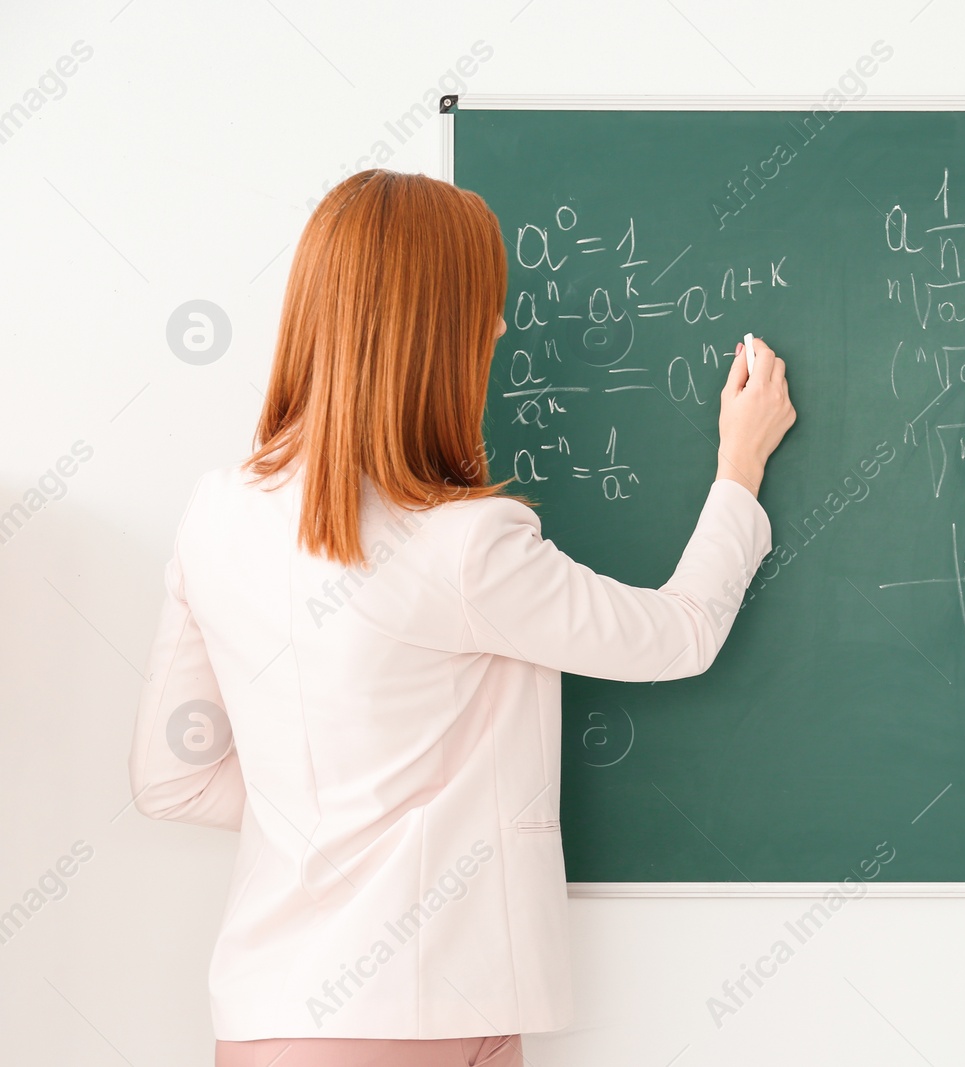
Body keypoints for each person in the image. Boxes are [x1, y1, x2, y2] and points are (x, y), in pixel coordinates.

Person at [128, 169, 795, 1066]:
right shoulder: (465, 545)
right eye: (487, 304)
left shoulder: (216, 513)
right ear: (436, 333)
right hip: (416, 1021)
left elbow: (171, 778)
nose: (503, 326)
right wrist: (740, 464)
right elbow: (678, 634)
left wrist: (330, 807)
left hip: (300, 1014)